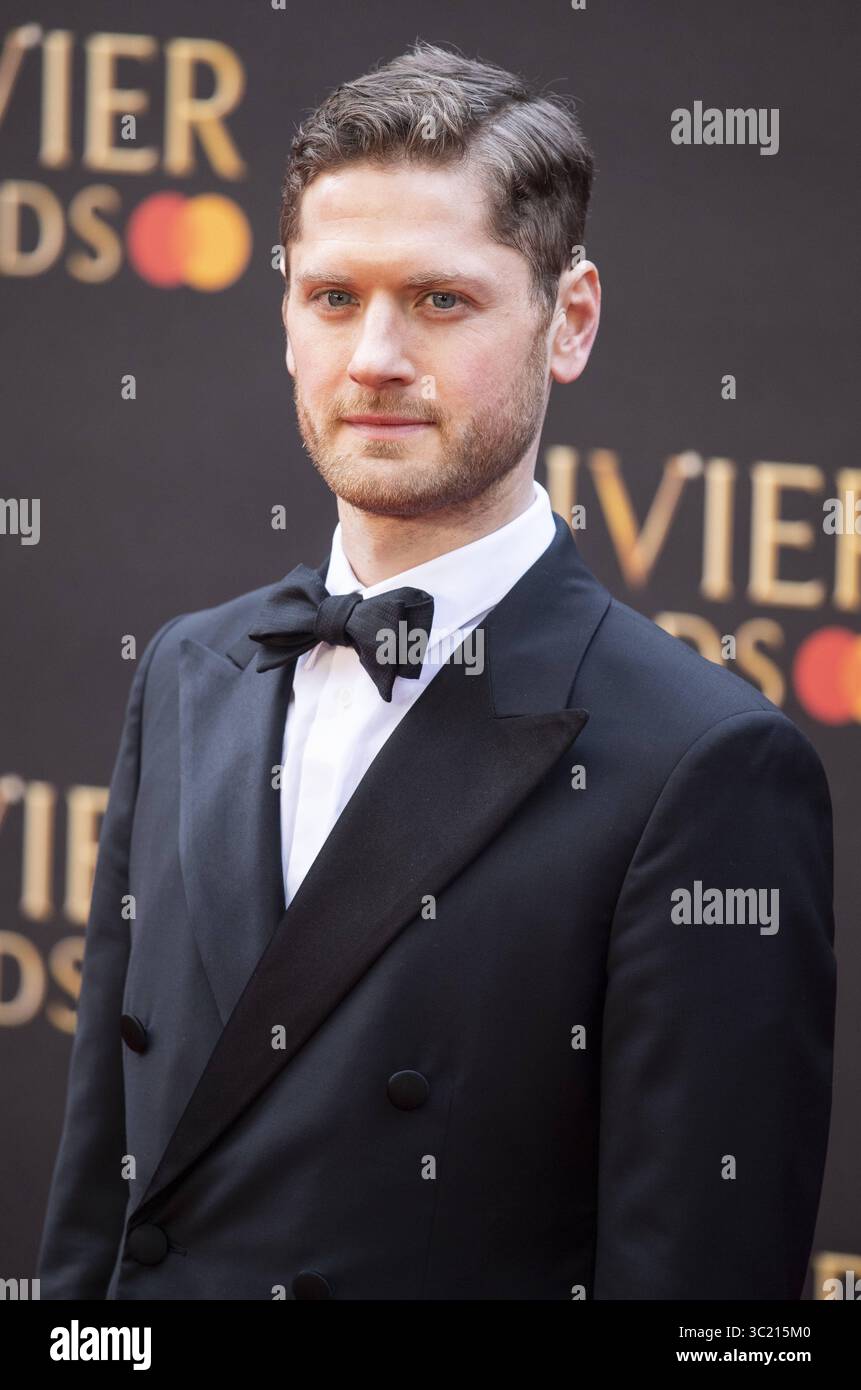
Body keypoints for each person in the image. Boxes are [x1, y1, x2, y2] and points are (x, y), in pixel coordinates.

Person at [38, 40, 835, 1301]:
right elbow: (101, 1191)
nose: (375, 359)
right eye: (334, 297)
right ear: (286, 313)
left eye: (441, 300)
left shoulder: (706, 765)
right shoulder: (190, 670)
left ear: (567, 320)